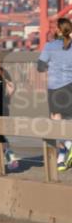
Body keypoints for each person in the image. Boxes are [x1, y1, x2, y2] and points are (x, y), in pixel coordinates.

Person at [38, 17, 72, 172]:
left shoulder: (50, 46)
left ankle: (68, 146)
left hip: (56, 88)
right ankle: (62, 158)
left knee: (56, 121)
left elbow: (40, 66)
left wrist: (51, 67)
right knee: (69, 121)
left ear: (58, 30)